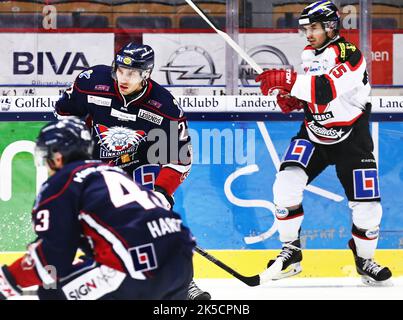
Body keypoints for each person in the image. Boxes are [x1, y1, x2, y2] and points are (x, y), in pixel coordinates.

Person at [53, 42, 210, 299]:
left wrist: (160, 194)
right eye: (120, 70)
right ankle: (83, 273)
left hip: (140, 163)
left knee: (154, 218)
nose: (123, 78)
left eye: (132, 73)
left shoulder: (165, 107)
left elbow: (179, 160)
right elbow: (63, 113)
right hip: (96, 164)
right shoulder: (90, 82)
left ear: (146, 74)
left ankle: (182, 282)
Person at [255, 0, 392, 286]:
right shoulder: (309, 54)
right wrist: (295, 99)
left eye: (314, 27)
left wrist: (287, 80)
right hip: (314, 133)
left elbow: (326, 89)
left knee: (368, 208)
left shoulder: (350, 54)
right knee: (285, 183)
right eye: (305, 28)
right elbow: (313, 93)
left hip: (351, 138)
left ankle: (364, 258)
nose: (308, 33)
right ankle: (291, 252)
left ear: (331, 26)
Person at [0, 117, 195, 300]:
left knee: (52, 291)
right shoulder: (112, 172)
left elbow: (52, 258)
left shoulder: (62, 183)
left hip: (136, 267)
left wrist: (6, 281)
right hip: (182, 262)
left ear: (57, 157)